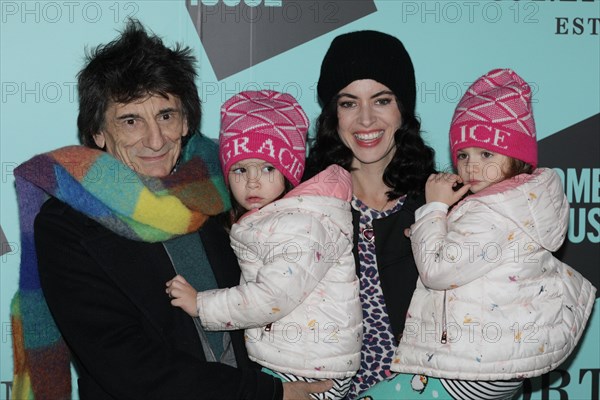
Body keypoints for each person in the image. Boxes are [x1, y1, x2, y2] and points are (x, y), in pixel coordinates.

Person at [10, 21, 329, 399]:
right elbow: (127, 368)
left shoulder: (225, 188)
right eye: (131, 121)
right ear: (98, 132)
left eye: (166, 115)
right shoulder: (68, 226)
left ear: (187, 120)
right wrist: (268, 394)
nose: (155, 139)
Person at [386, 68, 596, 399]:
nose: (471, 166)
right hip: (495, 361)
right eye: (463, 155)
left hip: (471, 366)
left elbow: (437, 271)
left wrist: (433, 210)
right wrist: (434, 226)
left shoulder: (491, 212)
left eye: (487, 154)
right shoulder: (517, 202)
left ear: (516, 158)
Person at [166, 90, 362, 400]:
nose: (253, 182)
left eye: (268, 168)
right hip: (296, 358)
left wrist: (202, 305)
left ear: (289, 172)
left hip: (309, 367)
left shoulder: (301, 224)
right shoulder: (273, 218)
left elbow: (273, 297)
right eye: (240, 170)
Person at [304, 30, 436, 398]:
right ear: (333, 113)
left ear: (402, 108)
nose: (365, 120)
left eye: (381, 100)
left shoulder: (438, 203)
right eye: (348, 103)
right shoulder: (306, 204)